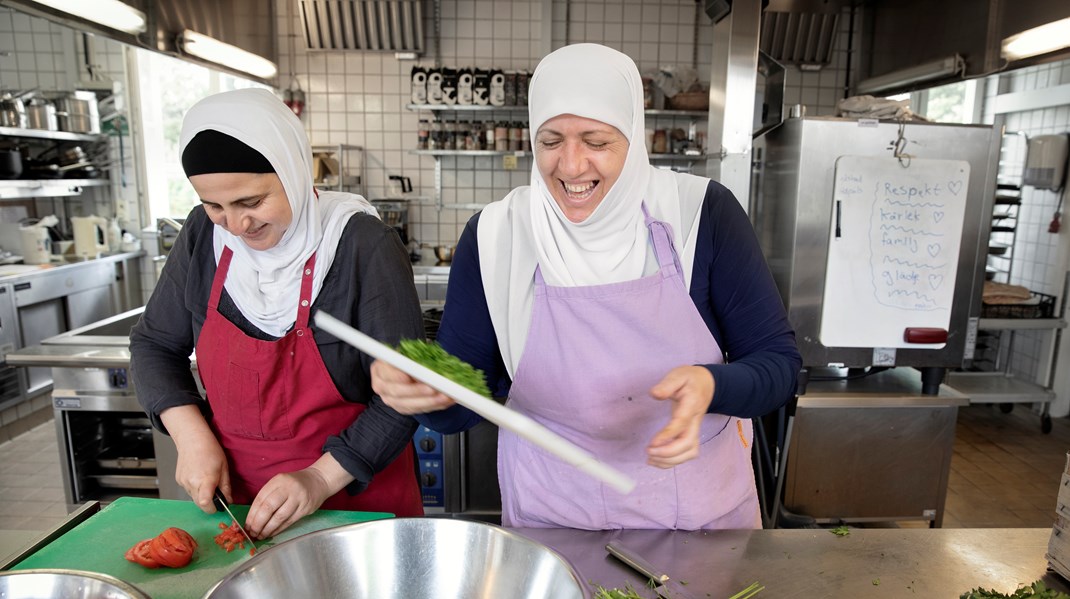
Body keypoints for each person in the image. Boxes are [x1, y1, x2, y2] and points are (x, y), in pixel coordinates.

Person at [371, 44, 801, 530]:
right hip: (553, 521)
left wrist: (713, 384)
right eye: (551, 140)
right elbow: (471, 394)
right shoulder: (496, 235)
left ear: (632, 137)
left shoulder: (700, 215)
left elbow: (779, 368)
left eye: (596, 141)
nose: (571, 167)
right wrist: (431, 392)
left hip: (695, 524)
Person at [129, 88, 424, 539]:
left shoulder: (361, 244)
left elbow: (403, 396)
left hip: (357, 507)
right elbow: (154, 344)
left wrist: (320, 479)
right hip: (242, 509)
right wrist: (190, 436)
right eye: (215, 206)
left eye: (252, 202)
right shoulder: (202, 237)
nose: (237, 225)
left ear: (293, 170)